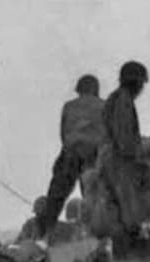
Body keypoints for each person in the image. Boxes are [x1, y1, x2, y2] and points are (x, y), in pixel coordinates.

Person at [37, 75, 105, 240]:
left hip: (70, 154)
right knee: (94, 198)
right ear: (96, 89)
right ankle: (97, 237)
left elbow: (63, 134)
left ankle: (43, 235)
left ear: (79, 89)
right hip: (94, 155)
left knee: (56, 197)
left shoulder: (69, 106)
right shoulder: (104, 106)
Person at [99, 60, 150, 238]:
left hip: (110, 156)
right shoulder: (123, 100)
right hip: (119, 158)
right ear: (135, 82)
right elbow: (124, 135)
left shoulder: (116, 98)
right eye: (141, 83)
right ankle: (132, 239)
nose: (142, 88)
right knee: (128, 202)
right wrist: (137, 159)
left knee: (117, 203)